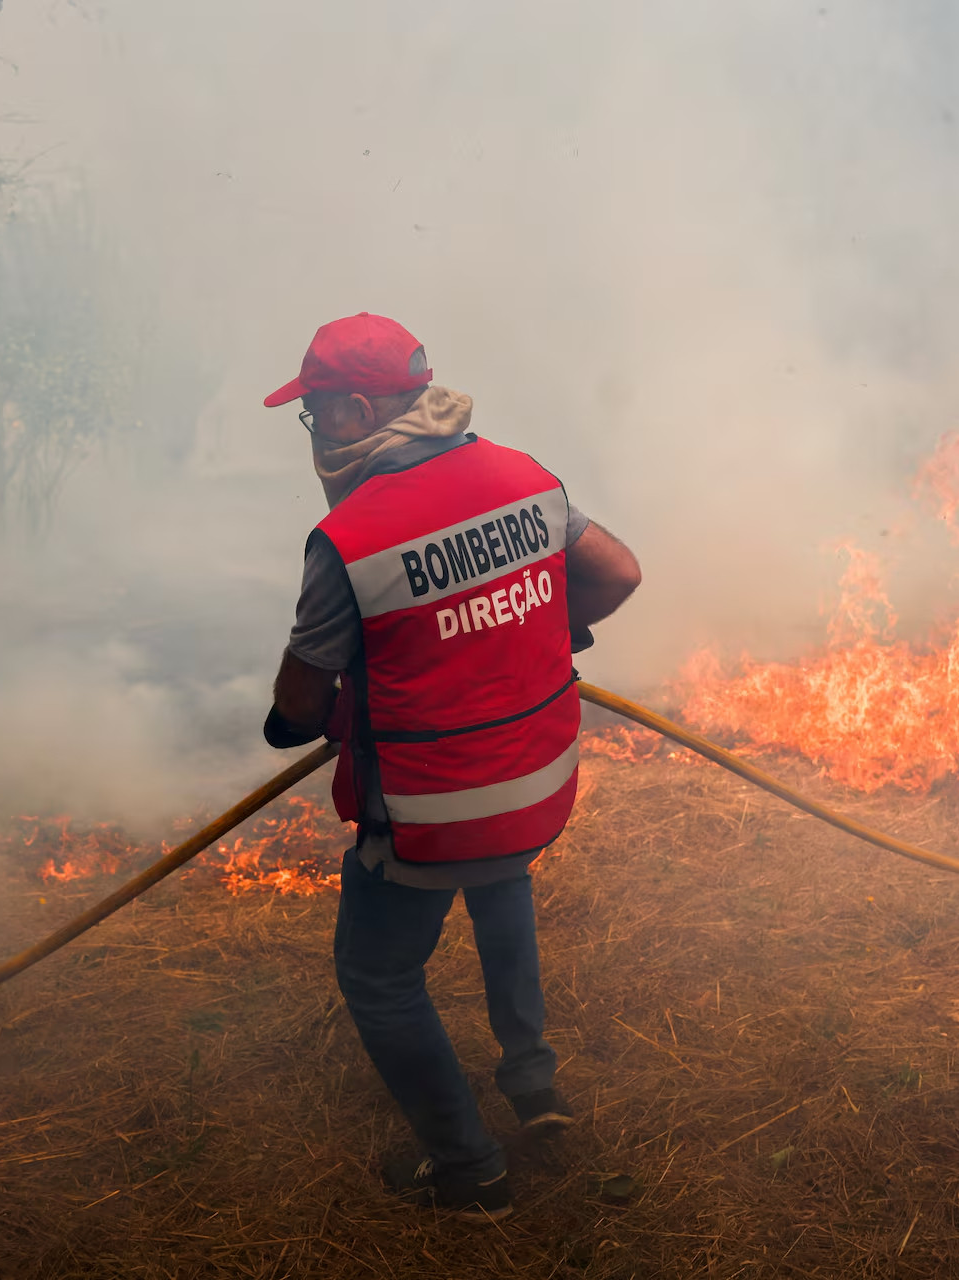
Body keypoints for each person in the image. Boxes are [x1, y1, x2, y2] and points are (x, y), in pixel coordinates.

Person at [260, 313, 642, 1220]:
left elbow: (302, 707)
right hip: (538, 786)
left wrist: (291, 721)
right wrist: (544, 627)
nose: (314, 432)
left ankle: (470, 1173)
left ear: (356, 409)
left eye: (315, 413)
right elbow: (617, 574)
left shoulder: (348, 541)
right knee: (501, 877)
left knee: (379, 979)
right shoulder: (522, 475)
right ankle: (534, 1083)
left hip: (433, 812)